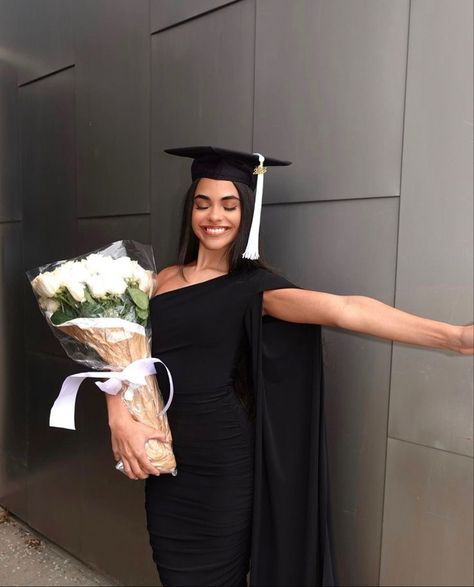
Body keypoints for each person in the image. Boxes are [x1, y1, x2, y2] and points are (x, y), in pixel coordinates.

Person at [104, 147, 473, 587]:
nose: (214, 216)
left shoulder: (255, 289)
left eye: (229, 204)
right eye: (203, 203)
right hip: (164, 458)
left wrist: (454, 337)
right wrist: (118, 419)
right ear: (190, 210)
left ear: (247, 212)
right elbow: (120, 359)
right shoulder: (160, 278)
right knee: (174, 574)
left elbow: (345, 309)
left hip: (221, 463)